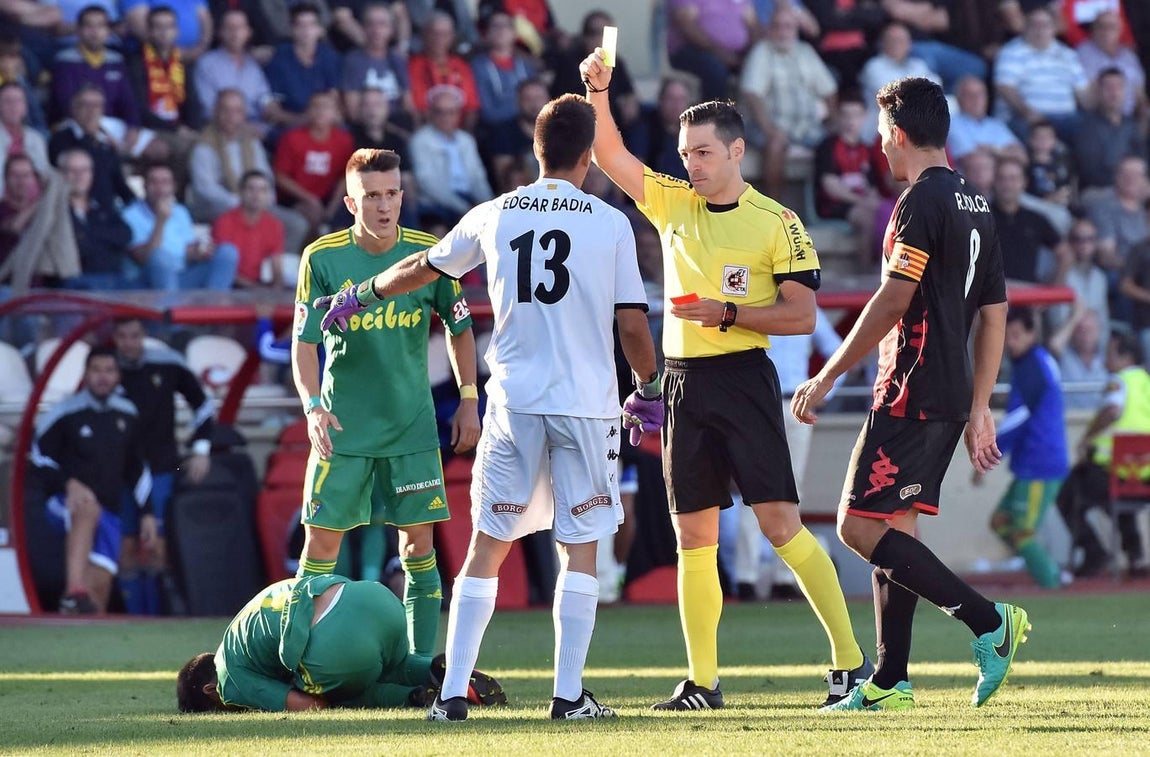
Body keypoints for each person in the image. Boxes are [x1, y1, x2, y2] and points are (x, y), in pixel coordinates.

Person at [314, 94, 660, 721]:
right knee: (579, 545)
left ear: (535, 150)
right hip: (585, 405)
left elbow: (425, 267)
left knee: (488, 543)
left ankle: (451, 696)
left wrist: (362, 291)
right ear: (588, 156)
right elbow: (633, 325)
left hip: (513, 402)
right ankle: (568, 696)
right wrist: (651, 386)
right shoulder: (609, 222)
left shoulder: (495, 213)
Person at [581, 49, 868, 710]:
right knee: (694, 537)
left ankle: (851, 663)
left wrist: (729, 312)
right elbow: (610, 156)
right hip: (683, 385)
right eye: (685, 152)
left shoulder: (777, 222)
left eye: (704, 153)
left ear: (737, 151)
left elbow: (801, 315)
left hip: (742, 380)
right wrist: (598, 90)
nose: (691, 164)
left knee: (779, 526)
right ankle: (702, 681)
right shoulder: (672, 202)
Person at [790, 76, 1030, 712]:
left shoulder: (918, 203)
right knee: (895, 529)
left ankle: (989, 623)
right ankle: (891, 681)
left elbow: (894, 297)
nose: (880, 150)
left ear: (898, 134)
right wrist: (980, 406)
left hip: (911, 386)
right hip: (949, 393)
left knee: (854, 525)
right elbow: (996, 311)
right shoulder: (977, 202)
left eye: (880, 138)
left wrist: (828, 373)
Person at [291, 148, 480, 662]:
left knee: (420, 548)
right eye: (370, 195)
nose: (383, 204)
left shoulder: (430, 254)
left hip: (412, 431)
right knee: (320, 552)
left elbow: (461, 331)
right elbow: (304, 343)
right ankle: (297, 661)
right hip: (342, 429)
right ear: (350, 203)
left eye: (391, 193)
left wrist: (469, 399)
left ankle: (420, 669)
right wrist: (312, 405)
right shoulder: (322, 258)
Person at [176, 574, 506, 712]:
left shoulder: (228, 678)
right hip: (375, 600)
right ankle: (443, 673)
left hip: (340, 644)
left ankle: (415, 697)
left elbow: (310, 707)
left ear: (210, 691)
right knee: (394, 663)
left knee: (329, 693)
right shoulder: (239, 628)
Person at [30, 346, 153, 614]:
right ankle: (72, 590)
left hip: (111, 510)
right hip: (63, 501)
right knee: (88, 507)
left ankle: (78, 618)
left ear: (118, 376)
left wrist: (147, 513)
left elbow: (137, 468)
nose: (102, 377)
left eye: (109, 371)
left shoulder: (127, 413)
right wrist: (68, 483)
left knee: (96, 597)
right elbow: (38, 457)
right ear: (85, 374)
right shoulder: (64, 411)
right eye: (96, 370)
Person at [112, 316, 216, 614]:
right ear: (114, 338)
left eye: (134, 335)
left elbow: (204, 405)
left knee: (157, 544)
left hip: (163, 469)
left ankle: (160, 617)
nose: (128, 343)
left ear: (143, 335)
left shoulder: (167, 364)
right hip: (121, 475)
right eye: (122, 336)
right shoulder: (106, 369)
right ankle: (136, 618)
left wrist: (200, 449)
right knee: (127, 547)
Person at [976, 307, 1068, 589]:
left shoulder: (1032, 367)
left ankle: (1054, 584)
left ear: (1031, 333)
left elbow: (1017, 419)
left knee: (1022, 533)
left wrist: (988, 453)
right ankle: (1043, 569)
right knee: (1001, 522)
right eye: (1007, 335)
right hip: (1033, 463)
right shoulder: (1037, 361)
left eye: (1016, 335)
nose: (1010, 342)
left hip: (1041, 464)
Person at [1056, 329, 1150, 578]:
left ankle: (1094, 552)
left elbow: (1112, 410)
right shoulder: (1146, 383)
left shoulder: (1119, 381)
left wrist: (1087, 436)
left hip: (1113, 470)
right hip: (1144, 477)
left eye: (1109, 353)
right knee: (1118, 500)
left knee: (1067, 495)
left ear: (1125, 357)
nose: (1104, 359)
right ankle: (1136, 556)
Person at [123, 162, 239, 290]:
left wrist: (197, 252)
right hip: (150, 280)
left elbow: (186, 250)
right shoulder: (130, 215)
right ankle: (170, 308)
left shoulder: (180, 211)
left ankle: (214, 307)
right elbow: (144, 258)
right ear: (144, 186)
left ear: (173, 188)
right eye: (154, 182)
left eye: (165, 183)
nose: (159, 188)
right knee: (159, 257)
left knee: (227, 252)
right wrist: (160, 222)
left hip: (183, 275)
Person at [211, 169, 286, 288]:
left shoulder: (274, 225)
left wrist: (276, 290)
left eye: (262, 190)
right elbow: (222, 266)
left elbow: (276, 267)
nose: (256, 195)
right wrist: (255, 289)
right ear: (240, 193)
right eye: (251, 189)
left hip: (255, 287)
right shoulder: (224, 221)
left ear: (268, 195)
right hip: (226, 286)